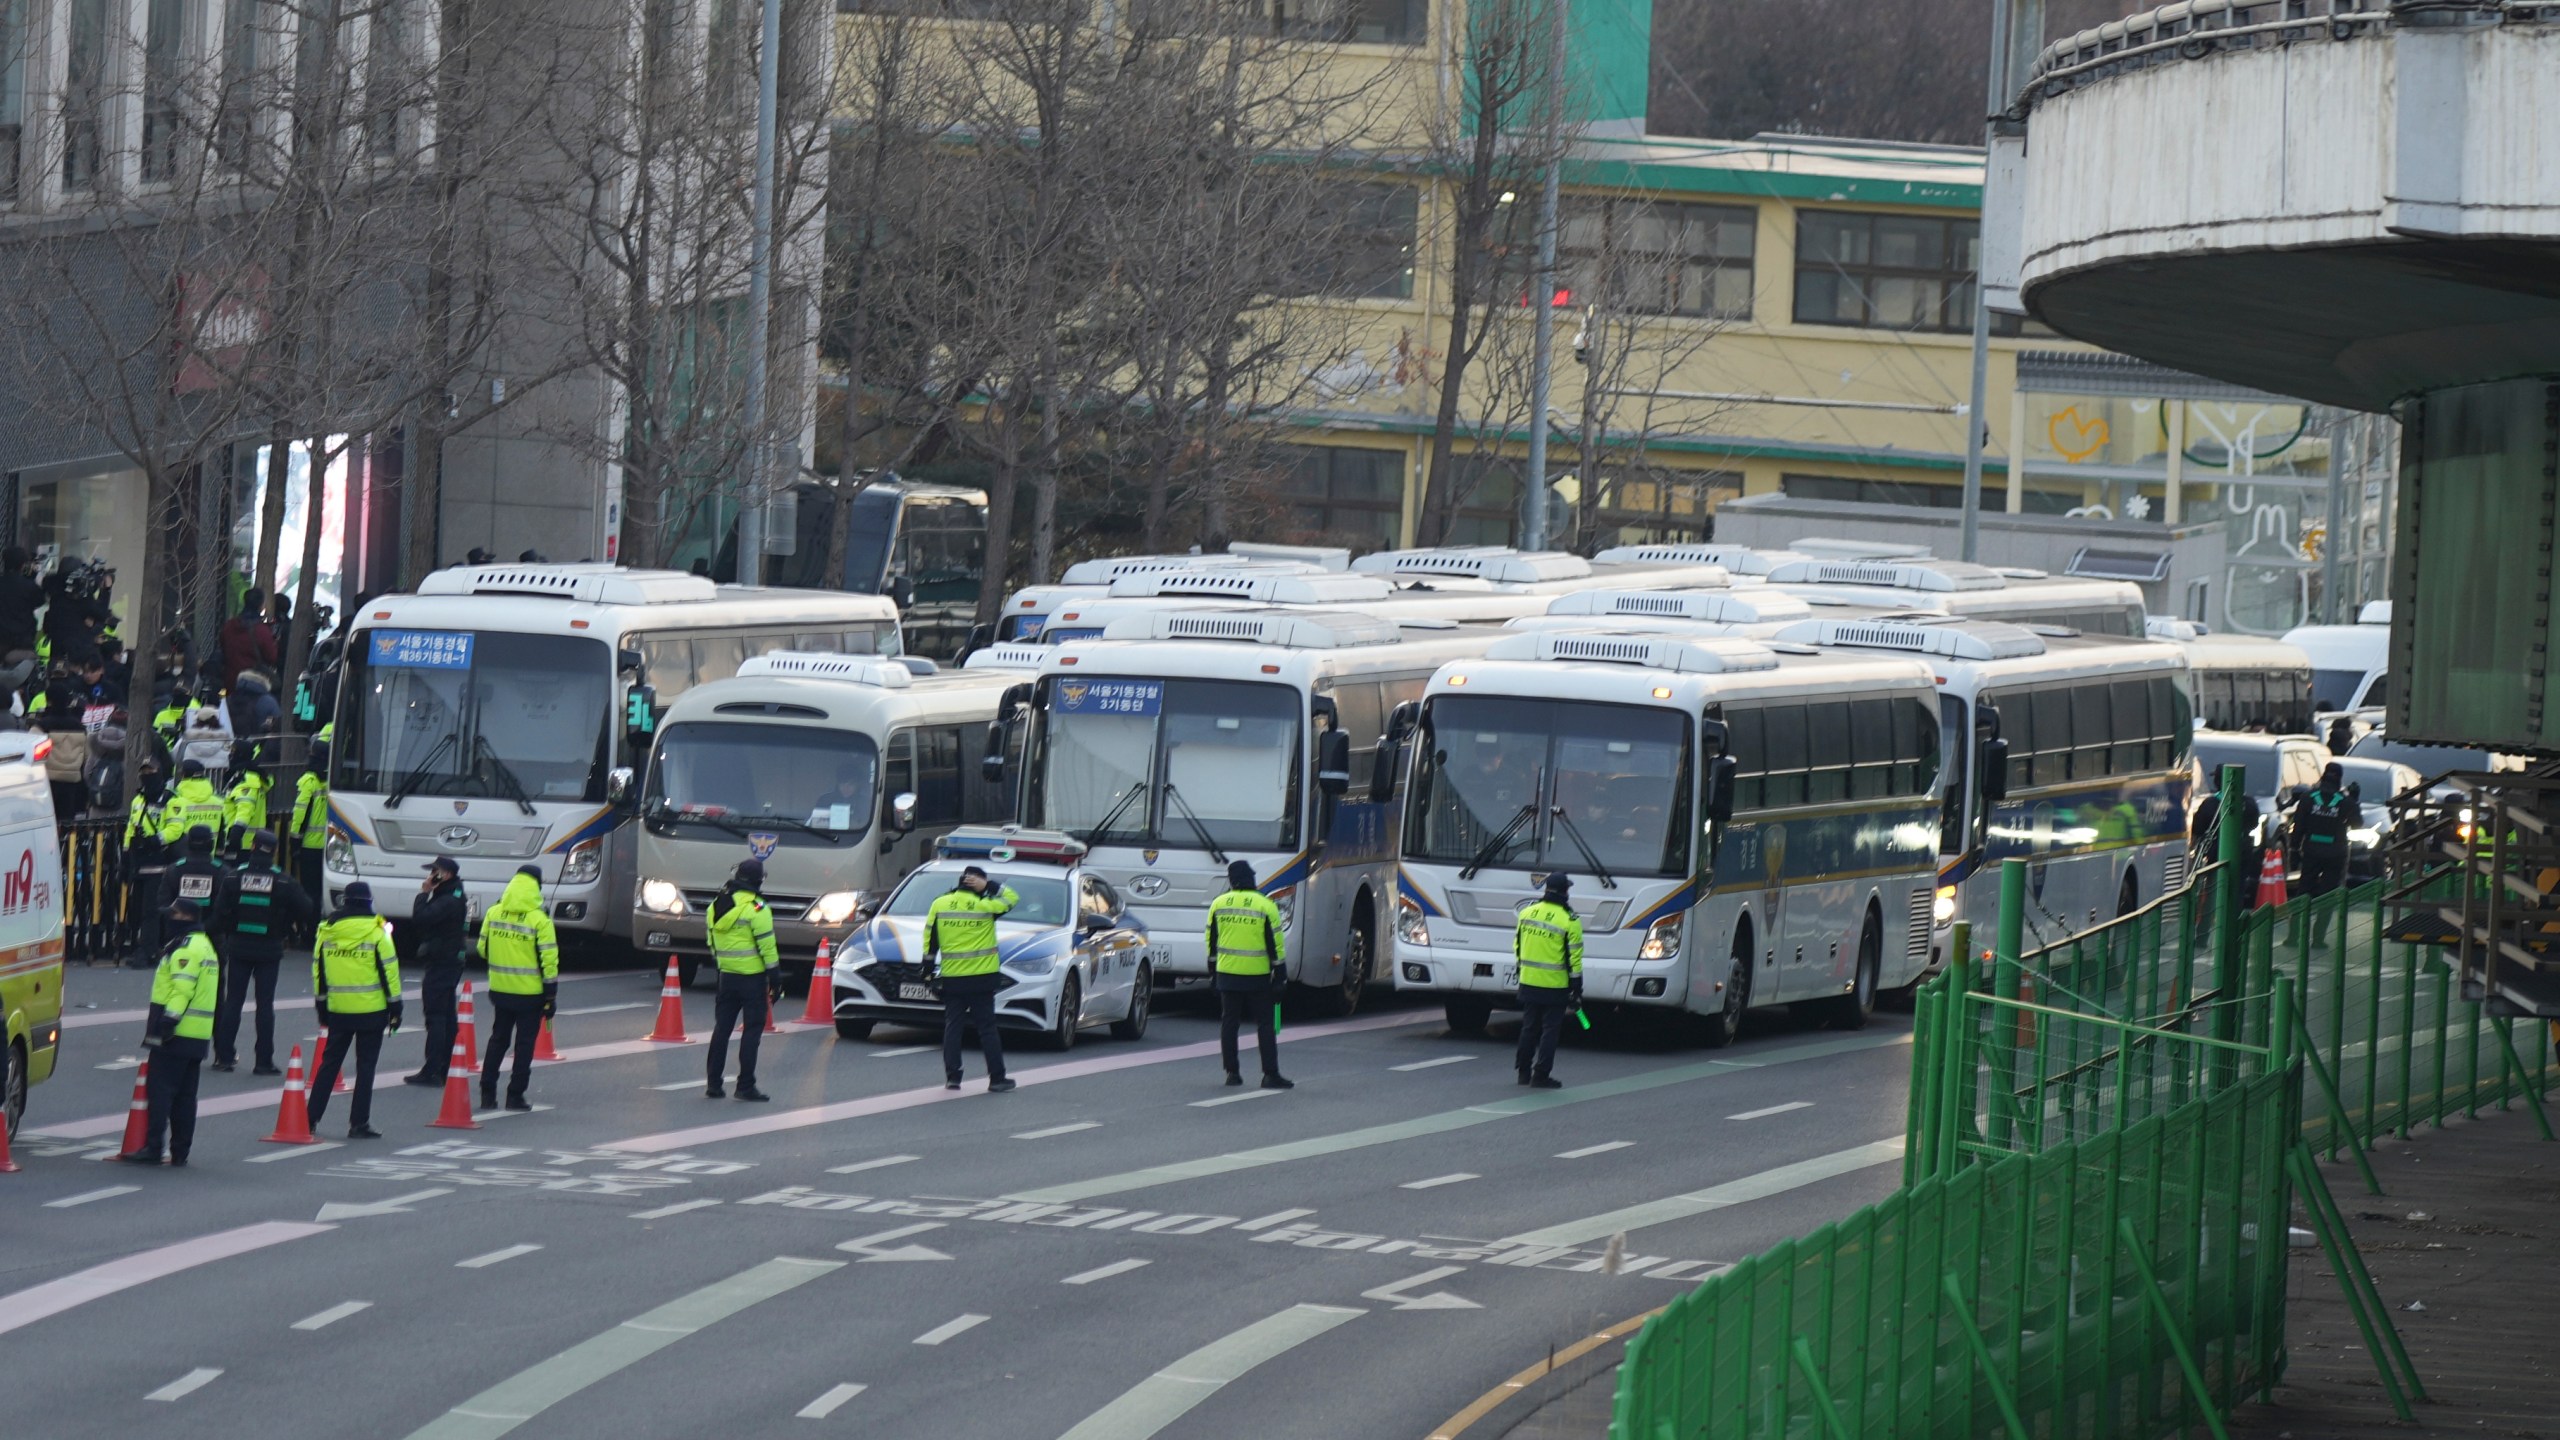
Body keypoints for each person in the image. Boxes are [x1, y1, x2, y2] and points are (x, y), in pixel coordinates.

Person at [122, 898, 221, 1166]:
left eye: (173, 915)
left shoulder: (184, 949)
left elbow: (182, 988)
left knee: (161, 1091)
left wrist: (168, 1020)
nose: (168, 919)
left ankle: (154, 1148)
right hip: (198, 1034)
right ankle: (180, 1151)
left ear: (184, 918)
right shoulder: (206, 946)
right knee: (186, 1097)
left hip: (176, 1032)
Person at [210, 829, 314, 1076]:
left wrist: (229, 931)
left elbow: (220, 912)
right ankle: (263, 1061)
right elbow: (307, 908)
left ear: (253, 846)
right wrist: (288, 922)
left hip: (238, 946)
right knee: (265, 1005)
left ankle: (224, 1057)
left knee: (233, 1001)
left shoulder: (235, 877)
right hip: (269, 948)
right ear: (275, 851)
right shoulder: (284, 881)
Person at [308, 880, 402, 1138]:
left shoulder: (327, 931)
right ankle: (359, 1123)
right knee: (366, 1066)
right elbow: (390, 972)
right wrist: (396, 1007)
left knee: (329, 1064)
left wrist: (321, 1003)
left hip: (339, 1009)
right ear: (369, 902)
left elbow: (319, 971)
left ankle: (310, 1118)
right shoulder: (377, 931)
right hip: (372, 1011)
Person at [924, 865, 1019, 1094]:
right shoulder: (987, 906)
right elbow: (1012, 898)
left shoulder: (940, 903)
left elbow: (930, 939)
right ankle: (997, 1079)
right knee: (987, 1028)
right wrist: (989, 886)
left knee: (953, 1026)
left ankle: (953, 1078)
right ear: (978, 884)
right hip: (982, 979)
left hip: (953, 978)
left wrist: (927, 971)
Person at [476, 865, 557, 1112]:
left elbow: (482, 949)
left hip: (500, 990)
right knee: (524, 1045)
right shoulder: (539, 920)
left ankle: (487, 1094)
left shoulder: (493, 913)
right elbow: (549, 961)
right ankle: (515, 1096)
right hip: (530, 995)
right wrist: (550, 995)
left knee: (498, 1039)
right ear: (537, 886)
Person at [1206, 859, 1291, 1089]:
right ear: (1251, 878)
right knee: (1265, 1024)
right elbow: (1276, 944)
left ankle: (1232, 1073)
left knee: (1229, 1023)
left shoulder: (1218, 904)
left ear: (1231, 880)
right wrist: (1280, 974)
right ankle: (1270, 1074)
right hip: (1257, 975)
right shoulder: (1265, 905)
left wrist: (1212, 972)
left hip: (1227, 973)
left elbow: (1211, 941)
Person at [703, 857, 780, 1102]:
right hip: (752, 980)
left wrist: (723, 965)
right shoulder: (758, 908)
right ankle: (745, 1086)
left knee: (722, 1029)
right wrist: (775, 979)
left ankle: (714, 1085)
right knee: (752, 1032)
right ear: (759, 880)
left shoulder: (717, 904)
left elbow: (711, 942)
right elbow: (768, 947)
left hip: (726, 977)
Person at [403, 856, 471, 1087]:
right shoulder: (452, 895)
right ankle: (444, 1066)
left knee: (436, 1016)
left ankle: (433, 1069)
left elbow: (421, 918)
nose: (431, 876)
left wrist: (423, 893)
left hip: (443, 960)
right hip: (448, 959)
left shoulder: (448, 900)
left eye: (435, 872)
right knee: (445, 1015)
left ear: (446, 875)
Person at [1511, 872, 1583, 1089]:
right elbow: (1575, 959)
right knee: (1550, 1030)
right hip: (1555, 985)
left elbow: (1518, 946)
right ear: (1564, 892)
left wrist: (1521, 971)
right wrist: (1576, 988)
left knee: (1529, 1027)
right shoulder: (1570, 920)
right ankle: (1540, 1075)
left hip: (1529, 980)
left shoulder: (1527, 913)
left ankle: (1523, 1072)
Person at [2290, 763, 2363, 933]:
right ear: (2339, 779)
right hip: (2335, 854)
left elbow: (2298, 826)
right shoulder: (2345, 802)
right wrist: (2354, 800)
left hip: (2311, 851)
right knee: (2327, 896)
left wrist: (2293, 851)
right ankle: (2318, 937)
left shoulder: (2308, 798)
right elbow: (2357, 824)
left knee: (2303, 892)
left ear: (2323, 775)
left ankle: (2294, 934)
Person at [289, 742, 330, 898]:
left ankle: (309, 922)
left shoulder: (309, 780)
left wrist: (294, 842)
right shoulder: (332, 780)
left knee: (308, 890)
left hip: (309, 845)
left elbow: (301, 812)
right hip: (328, 845)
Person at [158, 757, 227, 845]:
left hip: (182, 856)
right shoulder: (219, 802)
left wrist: (154, 840)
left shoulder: (176, 801)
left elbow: (173, 832)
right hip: (209, 856)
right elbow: (223, 831)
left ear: (183, 775)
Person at [217, 588, 276, 687]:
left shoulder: (229, 626)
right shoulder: (262, 630)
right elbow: (271, 657)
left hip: (231, 681)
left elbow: (223, 647)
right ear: (261, 606)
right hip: (254, 683)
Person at [221, 740, 271, 853]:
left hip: (243, 842)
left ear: (240, 754)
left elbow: (245, 809)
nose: (230, 755)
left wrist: (235, 835)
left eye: (233, 751)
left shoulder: (247, 779)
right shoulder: (239, 775)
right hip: (242, 840)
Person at [0, 545, 43, 661]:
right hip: (23, 642)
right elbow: (40, 600)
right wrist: (31, 579)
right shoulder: (28, 586)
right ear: (23, 564)